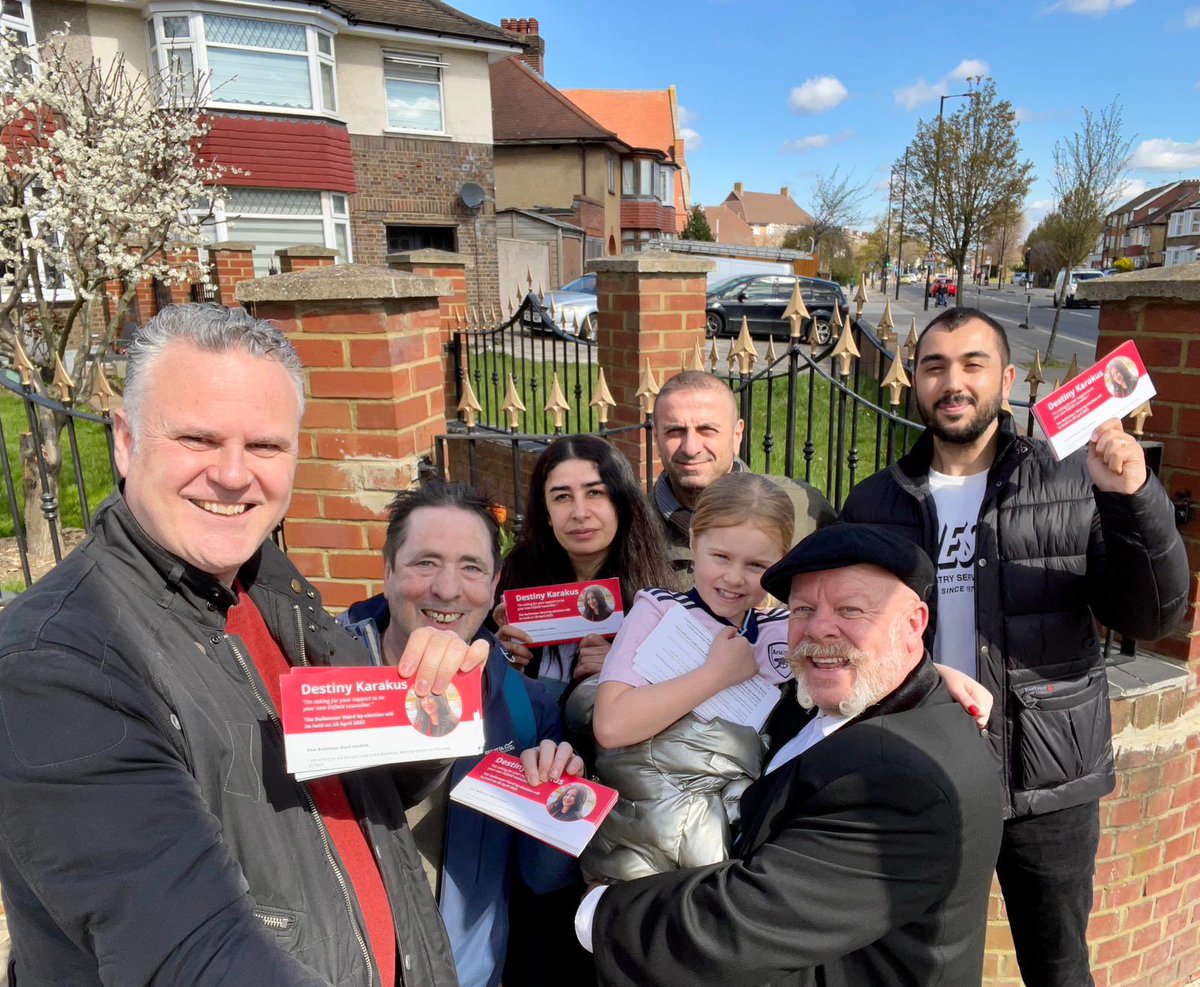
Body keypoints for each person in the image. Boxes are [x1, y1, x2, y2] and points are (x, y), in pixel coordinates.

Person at [0, 304, 482, 986]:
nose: (233, 475)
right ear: (126, 440)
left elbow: (364, 785)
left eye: (264, 447)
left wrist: (430, 719)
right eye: (197, 438)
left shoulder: (265, 579)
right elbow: (193, 960)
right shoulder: (59, 664)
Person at [840, 306, 1189, 986]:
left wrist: (1133, 496)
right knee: (919, 966)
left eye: (973, 364)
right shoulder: (875, 500)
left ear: (1005, 378)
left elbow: (1152, 613)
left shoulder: (1071, 479)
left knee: (1058, 967)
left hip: (1047, 780)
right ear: (916, 383)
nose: (953, 381)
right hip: (923, 765)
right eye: (935, 366)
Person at [576, 524, 1004, 986]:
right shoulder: (822, 702)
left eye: (850, 609)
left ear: (914, 624)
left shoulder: (906, 778)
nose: (820, 627)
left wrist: (599, 911)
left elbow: (744, 921)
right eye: (803, 608)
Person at [584, 472, 989, 884]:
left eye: (757, 565)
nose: (734, 578)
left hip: (737, 831)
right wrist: (716, 675)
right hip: (651, 824)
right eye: (721, 557)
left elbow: (856, 660)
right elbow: (612, 726)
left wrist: (938, 673)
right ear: (693, 543)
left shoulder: (785, 625)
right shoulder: (657, 610)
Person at [338, 482, 585, 987]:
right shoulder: (320, 683)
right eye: (425, 563)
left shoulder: (529, 706)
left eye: (471, 567)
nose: (447, 589)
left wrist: (560, 804)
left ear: (495, 583)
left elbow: (542, 879)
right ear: (387, 572)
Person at [494, 435, 672, 699]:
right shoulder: (514, 576)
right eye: (562, 497)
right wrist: (499, 660)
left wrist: (622, 673)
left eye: (595, 493)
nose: (580, 512)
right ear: (546, 513)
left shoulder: (658, 597)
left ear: (620, 504)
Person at [650, 371, 834, 586]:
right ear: (656, 437)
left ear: (737, 435)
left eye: (707, 430)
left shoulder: (802, 512)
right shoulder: (628, 531)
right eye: (675, 431)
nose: (691, 448)